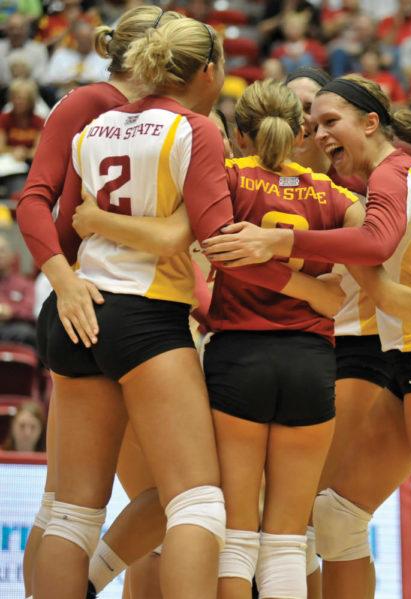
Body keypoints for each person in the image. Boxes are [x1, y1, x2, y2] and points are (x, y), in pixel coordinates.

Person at [31, 16, 347, 599]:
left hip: (79, 307)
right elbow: (216, 239)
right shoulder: (198, 131)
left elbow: (66, 226)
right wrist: (311, 289)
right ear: (207, 70)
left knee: (69, 512)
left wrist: (95, 236)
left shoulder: (93, 126)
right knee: (199, 503)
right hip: (149, 319)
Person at [203, 74, 411, 598]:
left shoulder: (389, 177)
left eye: (329, 121)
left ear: (371, 122)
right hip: (407, 359)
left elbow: (376, 250)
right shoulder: (381, 178)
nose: (319, 133)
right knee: (334, 518)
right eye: (312, 124)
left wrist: (277, 240)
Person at [14, 9, 191, 599]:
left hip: (115, 300)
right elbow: (33, 202)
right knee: (107, 504)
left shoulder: (160, 117)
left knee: (69, 506)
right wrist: (63, 280)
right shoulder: (88, 104)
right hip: (92, 295)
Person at [0, 235, 36, 346]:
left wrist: (10, 311)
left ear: (12, 256)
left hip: (15, 328)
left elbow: (29, 311)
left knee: (26, 333)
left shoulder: (25, 284)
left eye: (1, 251)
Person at [0, 13, 48, 87]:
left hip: (32, 92)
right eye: (12, 28)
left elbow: (41, 77)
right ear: (6, 29)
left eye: (20, 28)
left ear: (27, 29)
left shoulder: (39, 49)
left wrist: (26, 77)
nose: (16, 32)